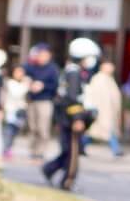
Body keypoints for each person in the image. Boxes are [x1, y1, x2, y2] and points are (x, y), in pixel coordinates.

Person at [43, 38, 102, 190]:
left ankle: (49, 169)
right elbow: (73, 99)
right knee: (73, 152)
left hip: (65, 119)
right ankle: (67, 180)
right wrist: (77, 119)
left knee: (68, 150)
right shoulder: (74, 73)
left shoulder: (71, 71)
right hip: (71, 120)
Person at [25, 43, 60, 159]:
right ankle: (33, 150)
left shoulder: (52, 69)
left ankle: (40, 152)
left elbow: (55, 85)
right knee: (32, 127)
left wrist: (43, 86)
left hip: (45, 100)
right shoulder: (32, 66)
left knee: (43, 127)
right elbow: (23, 73)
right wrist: (30, 84)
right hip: (32, 100)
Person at [83, 61, 123, 157]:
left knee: (99, 131)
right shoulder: (98, 79)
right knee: (97, 131)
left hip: (108, 111)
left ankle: (81, 146)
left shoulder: (109, 79)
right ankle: (116, 149)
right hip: (101, 110)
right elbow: (94, 95)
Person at [1, 65, 29, 159]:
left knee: (15, 131)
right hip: (10, 109)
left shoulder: (25, 83)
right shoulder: (9, 83)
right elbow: (15, 94)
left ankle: (9, 147)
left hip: (20, 111)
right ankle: (6, 149)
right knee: (8, 131)